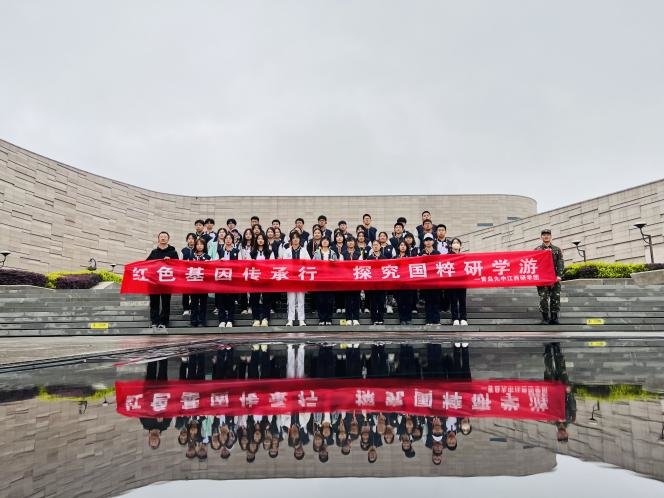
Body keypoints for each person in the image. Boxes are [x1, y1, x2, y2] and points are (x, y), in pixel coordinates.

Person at [146, 231, 179, 330]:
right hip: (154, 282)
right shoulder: (154, 252)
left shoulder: (173, 252)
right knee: (154, 303)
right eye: (161, 236)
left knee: (166, 303)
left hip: (167, 282)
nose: (163, 238)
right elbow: (146, 264)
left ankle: (164, 322)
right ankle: (154, 321)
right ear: (158, 239)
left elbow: (178, 266)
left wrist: (171, 261)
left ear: (168, 239)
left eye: (165, 237)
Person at [535, 229, 565, 325]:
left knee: (555, 297)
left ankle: (554, 318)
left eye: (548, 234)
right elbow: (534, 264)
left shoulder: (557, 249)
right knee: (543, 298)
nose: (546, 236)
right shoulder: (537, 250)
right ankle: (545, 318)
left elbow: (560, 263)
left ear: (551, 236)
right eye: (544, 235)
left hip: (554, 278)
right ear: (541, 237)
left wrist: (559, 275)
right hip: (543, 278)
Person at [282, 231, 310, 326]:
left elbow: (309, 262)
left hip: (301, 277)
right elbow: (284, 264)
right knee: (291, 300)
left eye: (297, 237)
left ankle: (301, 319)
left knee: (301, 300)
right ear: (291, 240)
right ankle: (290, 319)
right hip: (291, 278)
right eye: (293, 238)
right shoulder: (287, 251)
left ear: (299, 239)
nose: (295, 239)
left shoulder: (304, 250)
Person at [216, 233, 240, 328]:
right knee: (220, 300)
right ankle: (222, 320)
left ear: (233, 240)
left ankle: (230, 320)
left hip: (232, 279)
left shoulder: (237, 251)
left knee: (231, 301)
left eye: (230, 238)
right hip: (221, 279)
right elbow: (214, 263)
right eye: (227, 238)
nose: (228, 240)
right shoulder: (219, 251)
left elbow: (240, 264)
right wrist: (219, 261)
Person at [249, 233, 273, 327]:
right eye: (258, 238)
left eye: (262, 239)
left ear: (265, 240)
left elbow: (273, 264)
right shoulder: (251, 252)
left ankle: (265, 318)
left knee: (267, 299)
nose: (260, 240)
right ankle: (256, 318)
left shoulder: (270, 252)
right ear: (256, 240)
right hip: (254, 278)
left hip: (266, 278)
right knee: (254, 299)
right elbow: (247, 264)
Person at [313, 237, 337, 325]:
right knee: (320, 300)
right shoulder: (316, 253)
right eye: (323, 240)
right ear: (321, 242)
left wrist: (333, 263)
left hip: (330, 279)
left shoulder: (333, 253)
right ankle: (322, 319)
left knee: (329, 301)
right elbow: (312, 264)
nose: (325, 242)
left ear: (329, 242)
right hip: (320, 279)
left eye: (327, 240)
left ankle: (329, 319)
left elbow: (338, 265)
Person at [419, 234, 441, 325]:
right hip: (426, 281)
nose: (428, 242)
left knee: (436, 300)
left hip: (435, 281)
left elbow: (440, 265)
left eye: (430, 240)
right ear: (424, 242)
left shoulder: (437, 253)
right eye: (426, 240)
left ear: (433, 241)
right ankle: (428, 320)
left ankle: (436, 320)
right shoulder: (421, 253)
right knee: (428, 301)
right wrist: (422, 258)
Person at [190, 237, 211, 327]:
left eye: (201, 244)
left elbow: (210, 270)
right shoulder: (191, 256)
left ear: (204, 246)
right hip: (193, 283)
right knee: (194, 303)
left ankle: (203, 321)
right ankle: (193, 320)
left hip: (204, 284)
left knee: (203, 303)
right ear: (195, 246)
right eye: (198, 244)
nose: (199, 246)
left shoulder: (207, 257)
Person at [366, 240, 387, 325]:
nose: (375, 246)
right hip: (372, 283)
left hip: (382, 283)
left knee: (381, 302)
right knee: (373, 302)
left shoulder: (384, 258)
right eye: (374, 245)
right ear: (372, 247)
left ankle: (381, 318)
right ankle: (374, 319)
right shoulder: (369, 258)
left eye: (377, 245)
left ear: (380, 246)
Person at [447, 237, 468, 325]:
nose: (456, 244)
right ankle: (455, 318)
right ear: (451, 245)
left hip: (462, 281)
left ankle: (463, 318)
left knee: (462, 300)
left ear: (460, 245)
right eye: (454, 243)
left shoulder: (464, 256)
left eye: (457, 243)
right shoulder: (447, 256)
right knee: (453, 300)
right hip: (452, 282)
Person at [342, 237, 362, 325]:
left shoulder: (358, 253)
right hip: (346, 279)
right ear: (346, 243)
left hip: (356, 279)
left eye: (352, 241)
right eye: (348, 242)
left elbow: (361, 265)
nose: (350, 243)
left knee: (356, 299)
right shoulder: (343, 254)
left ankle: (356, 318)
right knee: (348, 300)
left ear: (354, 243)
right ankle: (349, 318)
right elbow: (341, 266)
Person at [395, 241, 414, 325]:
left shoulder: (410, 258)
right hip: (398, 284)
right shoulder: (394, 258)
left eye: (404, 245)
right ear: (398, 247)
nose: (403, 247)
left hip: (408, 284)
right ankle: (402, 318)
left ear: (407, 247)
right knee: (400, 302)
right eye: (401, 245)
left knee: (408, 302)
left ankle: (408, 318)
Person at [181, 232, 196, 317]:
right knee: (185, 292)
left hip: (196, 273)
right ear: (187, 240)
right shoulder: (183, 250)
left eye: (193, 239)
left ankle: (193, 308)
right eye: (189, 238)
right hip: (186, 273)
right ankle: (186, 309)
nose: (191, 240)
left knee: (194, 292)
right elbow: (180, 262)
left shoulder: (198, 250)